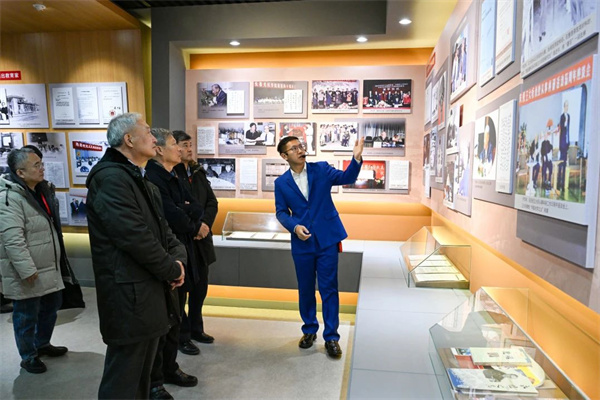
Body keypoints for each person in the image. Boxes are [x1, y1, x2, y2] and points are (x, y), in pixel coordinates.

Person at [85, 113, 187, 399]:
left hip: (146, 291)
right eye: (148, 132)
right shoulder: (111, 179)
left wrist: (178, 261)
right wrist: (172, 270)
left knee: (142, 373)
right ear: (129, 140)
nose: (154, 138)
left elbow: (164, 232)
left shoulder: (138, 179)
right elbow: (135, 237)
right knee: (125, 376)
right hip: (129, 295)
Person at [274, 135, 364, 359]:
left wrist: (356, 158)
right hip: (302, 242)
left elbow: (347, 177)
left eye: (301, 146)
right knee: (305, 288)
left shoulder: (321, 169)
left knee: (329, 288)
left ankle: (331, 337)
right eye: (294, 148)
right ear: (284, 156)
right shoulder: (281, 183)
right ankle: (309, 330)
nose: (300, 150)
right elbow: (281, 212)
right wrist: (294, 227)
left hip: (327, 240)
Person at [0, 147, 70, 374]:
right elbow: (12, 239)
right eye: (36, 165)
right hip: (29, 269)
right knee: (26, 314)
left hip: (48, 265)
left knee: (51, 307)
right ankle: (28, 355)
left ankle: (42, 343)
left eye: (41, 163)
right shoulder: (9, 198)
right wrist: (26, 269)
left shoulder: (41, 190)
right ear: (20, 173)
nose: (42, 168)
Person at [145, 128, 201, 399]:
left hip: (180, 250)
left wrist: (187, 211)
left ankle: (169, 368)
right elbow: (171, 214)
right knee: (164, 322)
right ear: (159, 149)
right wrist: (187, 214)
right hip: (165, 256)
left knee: (175, 316)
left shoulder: (174, 174)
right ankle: (156, 379)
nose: (180, 149)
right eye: (174, 145)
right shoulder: (152, 177)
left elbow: (195, 206)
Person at [173, 130, 218, 346]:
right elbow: (175, 210)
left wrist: (205, 225)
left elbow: (212, 202)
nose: (190, 149)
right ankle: (182, 335)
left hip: (202, 239)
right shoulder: (171, 175)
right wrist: (195, 228)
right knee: (181, 291)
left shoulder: (198, 172)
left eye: (191, 145)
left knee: (201, 288)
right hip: (183, 239)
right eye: (185, 145)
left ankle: (196, 328)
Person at [557, 100, 570, 192]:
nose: (566, 107)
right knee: (560, 164)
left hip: (566, 143)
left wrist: (568, 141)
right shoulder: (562, 117)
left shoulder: (569, 116)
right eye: (565, 106)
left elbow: (568, 129)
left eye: (567, 106)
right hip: (562, 144)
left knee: (564, 165)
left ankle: (563, 184)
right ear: (563, 107)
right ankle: (558, 184)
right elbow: (562, 129)